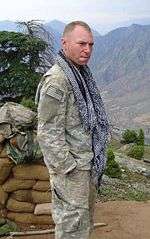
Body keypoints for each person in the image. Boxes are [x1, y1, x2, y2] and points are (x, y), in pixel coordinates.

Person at [36, 21, 109, 239]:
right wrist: (70, 169)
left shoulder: (80, 75)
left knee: (83, 225)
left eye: (91, 44)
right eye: (81, 43)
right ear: (65, 43)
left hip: (86, 166)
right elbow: (47, 133)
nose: (87, 50)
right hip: (72, 172)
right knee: (71, 228)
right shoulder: (57, 81)